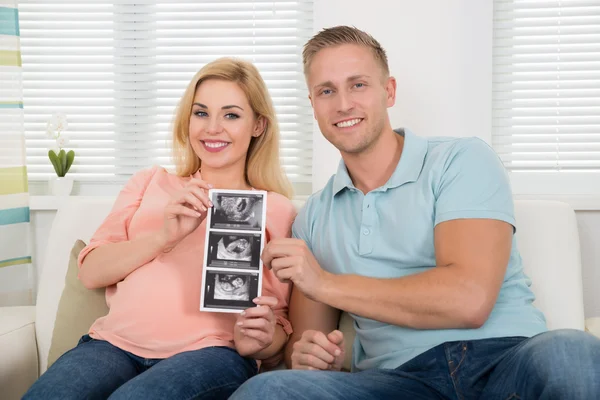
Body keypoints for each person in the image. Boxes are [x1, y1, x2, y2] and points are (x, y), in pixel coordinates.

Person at [231, 26, 600, 400]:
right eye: (327, 91)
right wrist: (310, 356)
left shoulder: (461, 161)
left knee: (572, 351)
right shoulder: (313, 220)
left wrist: (325, 281)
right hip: (398, 382)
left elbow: (468, 300)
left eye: (358, 85)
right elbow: (305, 347)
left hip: (503, 363)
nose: (343, 104)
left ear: (388, 91)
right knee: (270, 389)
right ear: (313, 104)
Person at [24, 58, 296, 400]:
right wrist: (164, 236)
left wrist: (265, 339)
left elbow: (280, 325)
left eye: (231, 115)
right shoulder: (150, 182)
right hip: (111, 346)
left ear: (258, 125)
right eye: (201, 113)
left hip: (210, 354)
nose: (212, 128)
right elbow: (91, 272)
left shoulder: (275, 209)